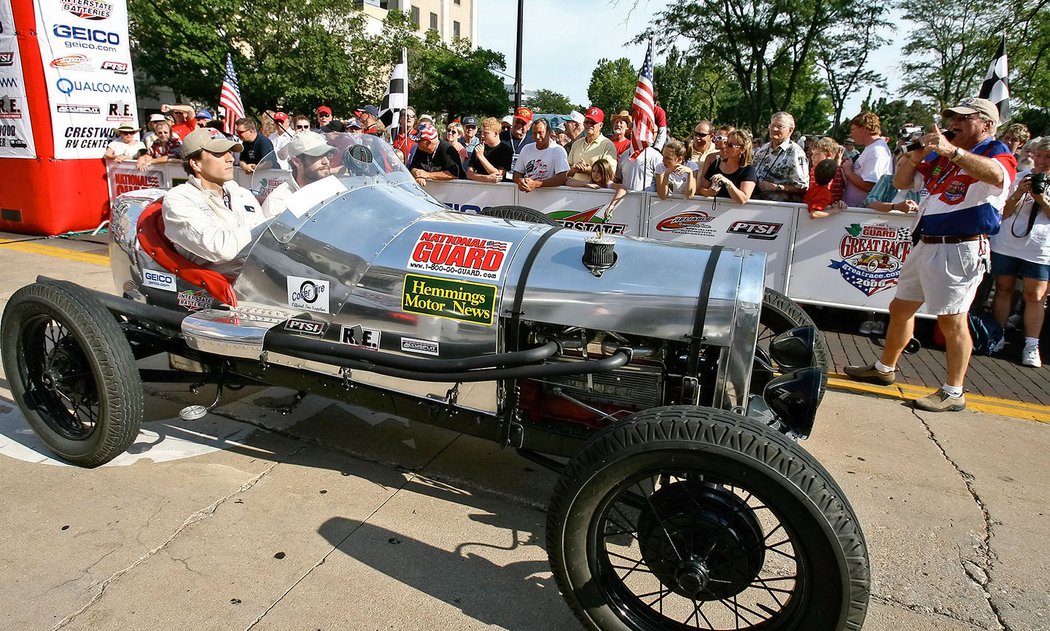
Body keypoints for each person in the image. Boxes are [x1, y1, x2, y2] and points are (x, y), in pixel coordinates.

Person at [844, 97, 1017, 412]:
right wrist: (914, 155)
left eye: (964, 118)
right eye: (952, 117)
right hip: (927, 242)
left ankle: (954, 391)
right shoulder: (943, 156)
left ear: (987, 125)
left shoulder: (995, 152)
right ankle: (885, 369)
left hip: (961, 245)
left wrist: (952, 151)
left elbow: (996, 176)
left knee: (953, 319)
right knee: (900, 307)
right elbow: (900, 182)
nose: (954, 123)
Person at [161, 128, 273, 278]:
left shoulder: (241, 193)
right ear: (195, 163)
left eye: (230, 151)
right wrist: (268, 227)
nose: (231, 158)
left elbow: (268, 244)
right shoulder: (179, 198)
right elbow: (222, 248)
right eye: (218, 153)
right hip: (218, 289)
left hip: (260, 278)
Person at [990, 136, 1050, 367]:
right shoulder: (1019, 178)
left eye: (1048, 157)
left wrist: (1041, 200)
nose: (1042, 162)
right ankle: (997, 335)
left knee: (1035, 296)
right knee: (1003, 289)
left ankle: (1031, 345)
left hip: (1040, 247)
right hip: (1008, 243)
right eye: (1039, 156)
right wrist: (1018, 195)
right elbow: (1001, 213)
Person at [260, 131, 335, 216]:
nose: (326, 161)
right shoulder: (279, 202)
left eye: (328, 155)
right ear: (296, 161)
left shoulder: (335, 189)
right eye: (317, 156)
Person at [753, 112, 808, 202]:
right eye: (772, 125)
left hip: (779, 210)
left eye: (780, 126)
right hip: (754, 203)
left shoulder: (796, 153)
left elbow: (803, 187)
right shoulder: (764, 148)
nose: (774, 129)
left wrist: (776, 187)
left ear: (790, 130)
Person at [842, 112, 894, 207]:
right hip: (856, 210)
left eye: (853, 130)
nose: (851, 134)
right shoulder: (871, 148)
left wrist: (848, 172)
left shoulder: (877, 151)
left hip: (862, 212)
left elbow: (870, 186)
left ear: (864, 129)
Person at [697, 129, 757, 204]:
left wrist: (728, 183)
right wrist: (709, 192)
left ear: (742, 149)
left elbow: (743, 199)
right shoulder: (716, 164)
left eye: (730, 145)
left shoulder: (748, 169)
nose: (725, 147)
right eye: (726, 143)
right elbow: (701, 189)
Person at [513, 118, 569, 192]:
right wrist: (521, 181)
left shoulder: (558, 150)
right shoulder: (526, 148)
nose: (537, 137)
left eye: (540, 133)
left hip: (549, 197)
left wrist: (536, 184)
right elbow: (517, 173)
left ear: (549, 132)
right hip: (526, 197)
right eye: (534, 133)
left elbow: (562, 178)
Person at [566, 107, 616, 186]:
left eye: (593, 123)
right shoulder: (576, 144)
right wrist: (574, 169)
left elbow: (610, 175)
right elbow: (566, 171)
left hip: (595, 193)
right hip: (574, 191)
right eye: (586, 122)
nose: (589, 125)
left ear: (601, 125)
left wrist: (590, 171)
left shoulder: (608, 145)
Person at [409, 122, 464, 187]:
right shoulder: (421, 149)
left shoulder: (447, 150)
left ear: (428, 142)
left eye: (419, 141)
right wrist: (418, 175)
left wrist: (428, 175)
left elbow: (453, 174)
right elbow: (412, 167)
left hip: (455, 190)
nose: (416, 143)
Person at [466, 117, 513, 183]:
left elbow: (498, 175)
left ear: (495, 134)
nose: (482, 135)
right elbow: (469, 174)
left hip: (499, 189)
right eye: (482, 132)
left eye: (486, 133)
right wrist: (486, 178)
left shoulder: (505, 149)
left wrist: (481, 157)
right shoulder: (479, 147)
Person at [506, 107, 535, 181]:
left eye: (523, 123)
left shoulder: (532, 141)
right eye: (517, 122)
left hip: (522, 182)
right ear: (513, 121)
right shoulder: (501, 137)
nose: (519, 125)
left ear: (529, 126)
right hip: (502, 182)